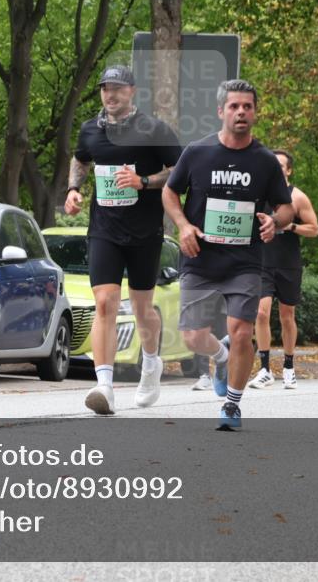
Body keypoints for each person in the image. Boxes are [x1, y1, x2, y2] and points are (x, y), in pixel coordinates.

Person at [163, 79, 293, 430]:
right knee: (191, 336)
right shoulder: (198, 152)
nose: (241, 112)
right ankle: (220, 358)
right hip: (200, 256)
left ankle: (232, 405)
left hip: (245, 261)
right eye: (234, 106)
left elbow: (285, 207)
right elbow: (170, 192)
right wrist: (183, 226)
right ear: (221, 111)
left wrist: (275, 222)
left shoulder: (265, 161)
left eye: (247, 106)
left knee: (240, 330)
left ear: (255, 112)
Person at [65, 64, 182, 415]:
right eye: (105, 88)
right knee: (105, 303)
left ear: (132, 91)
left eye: (117, 88)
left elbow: (178, 172)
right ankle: (104, 386)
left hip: (145, 232)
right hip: (104, 230)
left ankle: (150, 364)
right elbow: (81, 159)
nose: (110, 94)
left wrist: (143, 181)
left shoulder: (154, 130)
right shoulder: (91, 130)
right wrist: (73, 189)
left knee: (143, 308)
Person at [249, 150, 318, 390]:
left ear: (288, 170)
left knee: (287, 316)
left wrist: (291, 226)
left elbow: (314, 229)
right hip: (262, 261)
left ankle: (289, 367)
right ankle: (265, 368)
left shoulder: (297, 197)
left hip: (288, 262)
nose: (276, 169)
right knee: (261, 312)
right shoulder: (259, 193)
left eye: (280, 166)